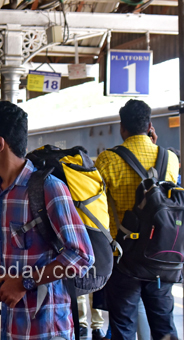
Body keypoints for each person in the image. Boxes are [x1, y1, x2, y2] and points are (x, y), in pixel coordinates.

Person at [0, 101, 94, 340]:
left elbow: (82, 256)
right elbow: (5, 253)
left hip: (47, 327)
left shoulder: (48, 188)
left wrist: (23, 282)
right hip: (12, 325)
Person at [95, 99, 179, 340]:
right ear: (150, 125)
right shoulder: (170, 159)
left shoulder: (108, 160)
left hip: (124, 257)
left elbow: (97, 208)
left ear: (123, 127)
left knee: (123, 327)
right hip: (161, 256)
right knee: (164, 327)